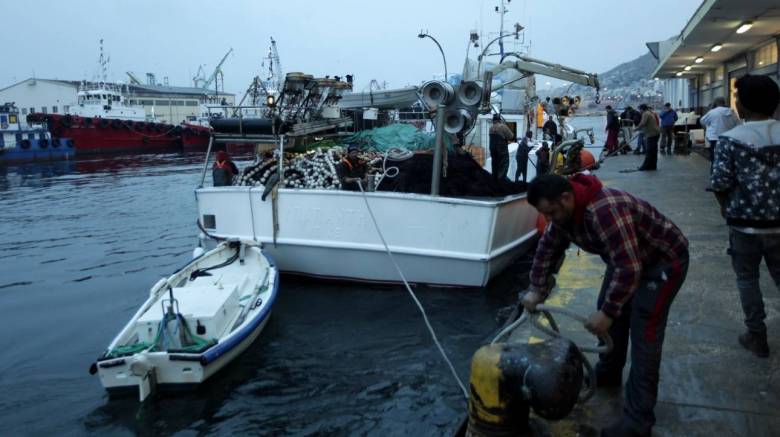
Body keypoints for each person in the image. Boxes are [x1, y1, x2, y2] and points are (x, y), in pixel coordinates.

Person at [523, 173, 689, 437]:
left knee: (644, 334)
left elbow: (629, 268)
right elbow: (548, 248)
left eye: (551, 212)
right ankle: (609, 373)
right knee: (608, 310)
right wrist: (536, 288)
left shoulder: (603, 210)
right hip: (627, 258)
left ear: (566, 198)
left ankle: (638, 422)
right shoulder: (564, 214)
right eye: (546, 215)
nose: (550, 219)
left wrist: (609, 312)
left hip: (663, 263)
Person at [710, 75, 780, 358]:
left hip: (745, 224)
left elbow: (720, 182)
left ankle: (757, 335)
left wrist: (726, 208)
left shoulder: (730, 140)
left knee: (747, 279)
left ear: (743, 104)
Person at [700, 96, 740, 161]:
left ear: (715, 103)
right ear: (724, 103)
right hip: (728, 138)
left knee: (715, 158)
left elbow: (702, 121)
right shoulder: (731, 112)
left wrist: (708, 126)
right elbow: (738, 124)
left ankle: (715, 169)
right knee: (727, 157)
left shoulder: (713, 112)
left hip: (715, 138)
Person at [489, 113, 515, 181]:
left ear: (493, 120)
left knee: (494, 165)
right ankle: (501, 180)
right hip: (501, 150)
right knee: (503, 165)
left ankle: (495, 180)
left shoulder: (491, 128)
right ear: (499, 120)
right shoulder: (503, 126)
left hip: (493, 151)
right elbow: (511, 136)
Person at [635, 104, 661, 171]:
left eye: (639, 109)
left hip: (651, 134)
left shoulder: (645, 114)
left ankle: (646, 166)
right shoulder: (650, 113)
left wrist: (636, 128)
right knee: (653, 151)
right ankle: (652, 166)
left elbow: (643, 123)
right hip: (655, 133)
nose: (639, 111)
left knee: (649, 151)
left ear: (642, 109)